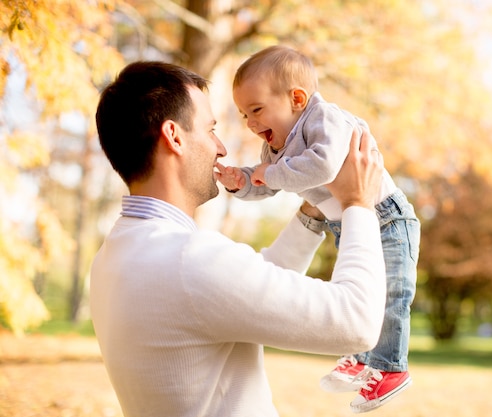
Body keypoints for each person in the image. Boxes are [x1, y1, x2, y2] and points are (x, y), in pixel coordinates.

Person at [90, 60, 386, 417]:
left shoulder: (114, 255)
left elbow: (243, 290)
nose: (221, 148)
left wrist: (313, 209)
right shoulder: (189, 259)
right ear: (174, 136)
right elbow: (356, 323)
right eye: (210, 129)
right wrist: (357, 204)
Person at [215, 45, 420, 413]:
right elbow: (270, 184)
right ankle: (360, 359)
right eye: (244, 114)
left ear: (296, 98)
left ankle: (390, 367)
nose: (249, 122)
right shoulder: (276, 148)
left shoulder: (325, 119)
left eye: (257, 110)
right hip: (347, 220)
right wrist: (240, 182)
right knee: (364, 290)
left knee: (389, 294)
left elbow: (324, 167)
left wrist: (270, 173)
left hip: (385, 216)